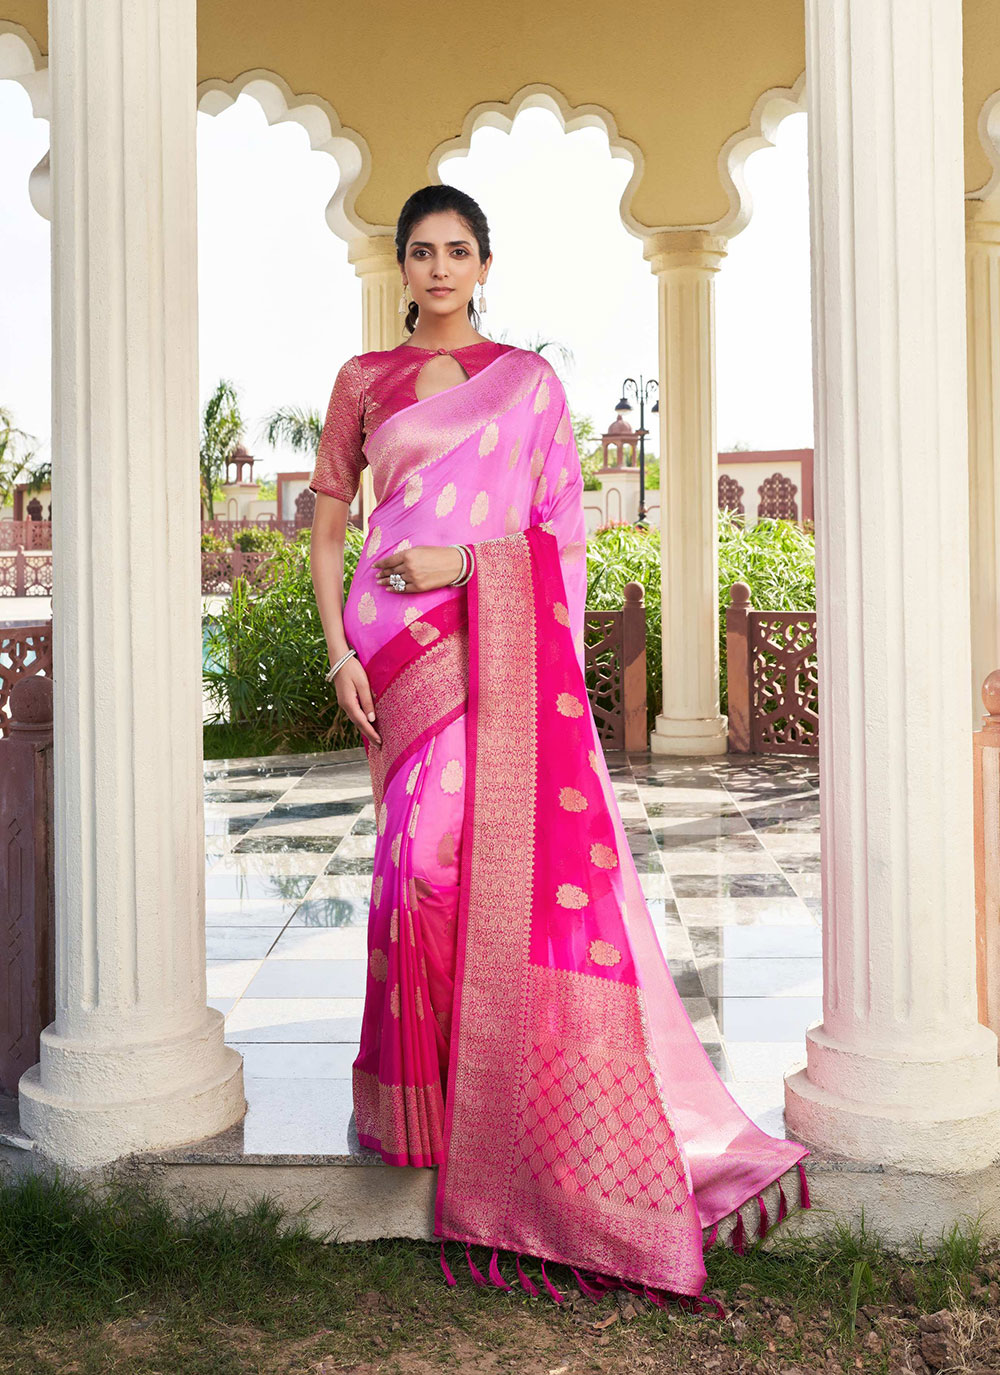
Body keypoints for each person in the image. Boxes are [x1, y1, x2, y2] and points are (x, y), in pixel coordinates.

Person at [308, 184, 809, 1311]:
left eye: (458, 250)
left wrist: (461, 567)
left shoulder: (528, 383)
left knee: (451, 868)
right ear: (402, 267)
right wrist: (338, 647)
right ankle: (418, 1109)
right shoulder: (362, 381)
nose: (439, 268)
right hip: (391, 650)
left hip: (487, 642)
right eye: (421, 251)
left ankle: (494, 1098)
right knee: (408, 873)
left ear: (485, 265)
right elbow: (331, 527)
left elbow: (556, 536)